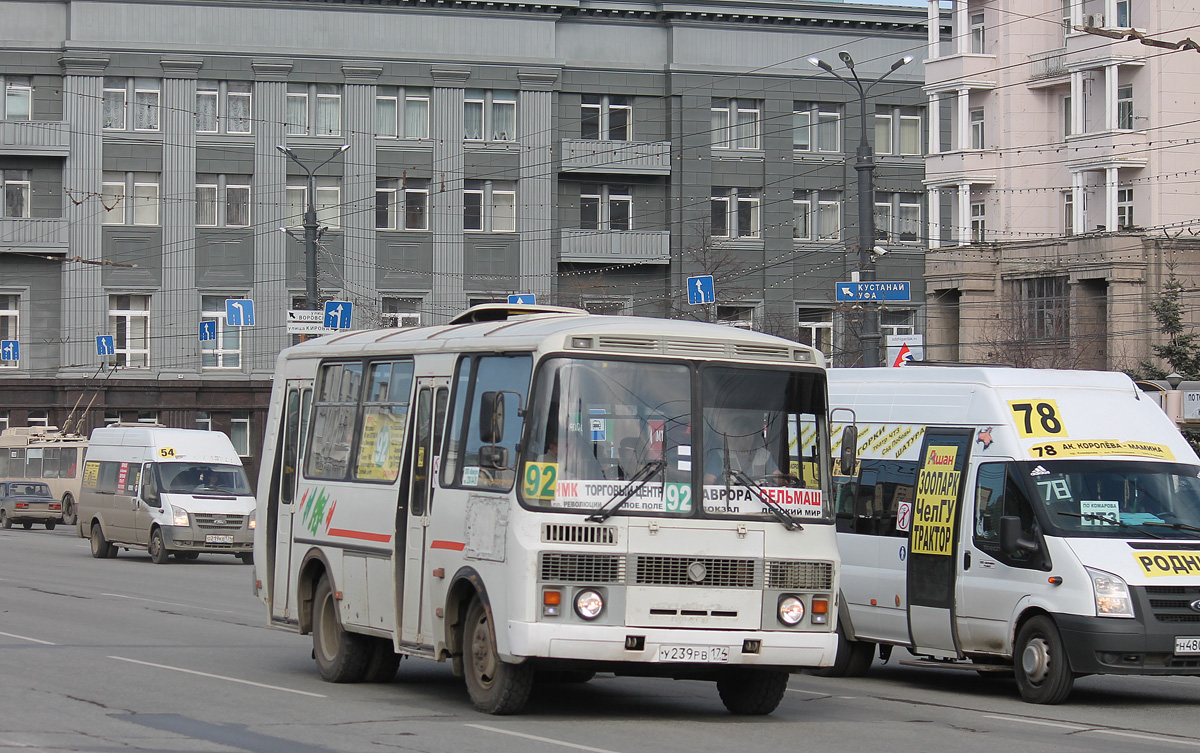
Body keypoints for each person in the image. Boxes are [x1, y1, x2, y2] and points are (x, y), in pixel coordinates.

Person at [703, 409, 781, 485]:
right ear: (734, 435)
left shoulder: (763, 456)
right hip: (728, 497)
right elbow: (709, 479)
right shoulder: (721, 455)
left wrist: (786, 479)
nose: (748, 437)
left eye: (750, 432)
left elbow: (778, 477)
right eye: (743, 433)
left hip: (760, 497)